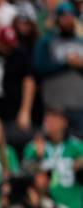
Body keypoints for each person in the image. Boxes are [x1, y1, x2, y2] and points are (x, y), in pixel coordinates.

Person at [34, 1, 83, 133]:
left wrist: (80, 65)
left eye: (70, 16)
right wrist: (66, 63)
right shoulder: (46, 42)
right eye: (64, 17)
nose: (67, 20)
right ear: (57, 19)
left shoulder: (81, 42)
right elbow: (39, 68)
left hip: (79, 105)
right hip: (55, 106)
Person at [22, 108, 83, 208]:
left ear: (64, 122)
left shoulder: (77, 147)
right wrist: (38, 158)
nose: (49, 123)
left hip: (73, 206)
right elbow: (25, 176)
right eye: (47, 120)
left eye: (54, 120)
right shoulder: (34, 147)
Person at [0, 26, 36, 131]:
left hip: (14, 112)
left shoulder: (20, 55)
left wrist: (25, 111)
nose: (8, 47)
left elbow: (29, 82)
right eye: (5, 44)